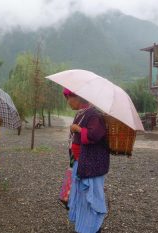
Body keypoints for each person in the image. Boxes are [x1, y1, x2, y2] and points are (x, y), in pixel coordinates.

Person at [64, 88, 110, 233]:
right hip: (81, 162)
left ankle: (92, 228)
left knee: (91, 197)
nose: (67, 102)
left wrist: (78, 129)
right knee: (81, 196)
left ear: (77, 97)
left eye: (68, 98)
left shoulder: (94, 114)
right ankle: (84, 226)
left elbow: (95, 135)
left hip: (92, 164)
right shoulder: (82, 114)